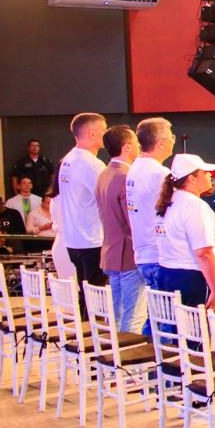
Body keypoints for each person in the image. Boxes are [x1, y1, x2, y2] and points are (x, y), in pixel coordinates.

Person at [153, 152, 215, 311]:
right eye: (205, 173)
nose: (210, 175)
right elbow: (203, 252)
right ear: (192, 178)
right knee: (198, 332)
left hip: (167, 273)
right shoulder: (194, 206)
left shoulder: (169, 201)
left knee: (178, 331)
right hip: (191, 277)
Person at [93, 125, 142, 333]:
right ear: (127, 146)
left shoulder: (104, 173)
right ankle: (125, 360)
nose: (139, 147)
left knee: (117, 312)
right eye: (137, 144)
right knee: (133, 314)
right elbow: (132, 220)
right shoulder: (125, 176)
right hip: (127, 252)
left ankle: (114, 356)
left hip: (111, 250)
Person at [125, 117, 175, 323]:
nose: (173, 139)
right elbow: (172, 213)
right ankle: (158, 355)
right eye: (171, 136)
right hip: (158, 254)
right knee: (165, 321)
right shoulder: (160, 173)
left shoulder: (134, 168)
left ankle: (153, 353)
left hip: (143, 251)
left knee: (156, 318)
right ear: (160, 142)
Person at [56, 112, 108, 297]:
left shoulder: (68, 159)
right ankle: (93, 326)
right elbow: (108, 200)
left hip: (74, 239)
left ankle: (85, 324)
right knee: (97, 297)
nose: (106, 133)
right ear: (92, 134)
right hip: (91, 239)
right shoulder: (91, 164)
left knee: (85, 293)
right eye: (103, 129)